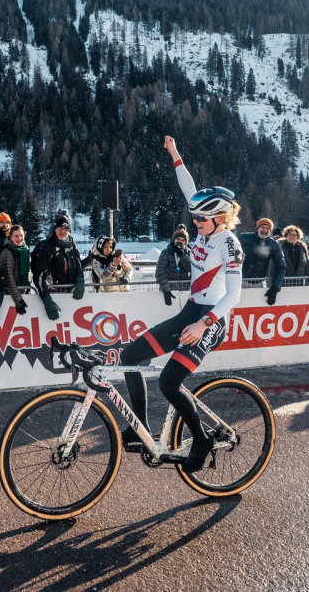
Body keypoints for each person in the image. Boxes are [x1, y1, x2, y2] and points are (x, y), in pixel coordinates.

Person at [116, 136, 244, 473]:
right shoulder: (204, 227)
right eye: (195, 217)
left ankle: (201, 440)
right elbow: (187, 185)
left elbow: (234, 296)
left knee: (169, 382)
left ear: (220, 217)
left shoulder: (229, 245)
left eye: (202, 219)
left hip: (211, 320)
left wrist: (204, 324)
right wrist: (174, 153)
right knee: (131, 356)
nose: (195, 222)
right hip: (190, 310)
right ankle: (139, 428)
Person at [31, 213, 86, 320]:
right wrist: (46, 300)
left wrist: (80, 279)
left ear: (69, 231)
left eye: (66, 228)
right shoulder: (47, 247)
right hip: (54, 295)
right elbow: (39, 276)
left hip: (71, 294)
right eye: (60, 228)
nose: (62, 231)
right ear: (55, 229)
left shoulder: (71, 244)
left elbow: (78, 262)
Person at [0, 225, 31, 328]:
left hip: (22, 292)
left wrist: (27, 289)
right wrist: (18, 299)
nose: (19, 239)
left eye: (21, 235)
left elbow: (27, 273)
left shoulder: (24, 250)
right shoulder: (7, 252)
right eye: (16, 236)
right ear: (10, 237)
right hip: (10, 294)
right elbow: (8, 278)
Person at [239, 217, 286, 304]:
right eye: (262, 227)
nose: (265, 230)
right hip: (240, 280)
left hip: (258, 282)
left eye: (268, 228)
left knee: (256, 307)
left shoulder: (274, 244)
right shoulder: (243, 238)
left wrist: (275, 288)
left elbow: (281, 267)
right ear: (257, 228)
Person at [156, 224, 192, 305]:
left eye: (183, 240)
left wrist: (183, 255)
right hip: (169, 289)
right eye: (178, 239)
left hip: (185, 290)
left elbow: (193, 269)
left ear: (186, 242)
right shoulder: (166, 252)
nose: (180, 242)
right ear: (173, 240)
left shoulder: (190, 253)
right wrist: (166, 290)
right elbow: (160, 272)